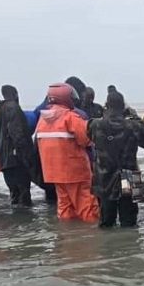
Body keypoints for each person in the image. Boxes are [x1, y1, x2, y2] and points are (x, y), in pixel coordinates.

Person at [88, 91, 144, 228]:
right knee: (129, 222)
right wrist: (134, 115)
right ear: (123, 107)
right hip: (129, 176)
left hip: (105, 176)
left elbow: (88, 134)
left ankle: (109, 248)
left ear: (106, 105)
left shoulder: (95, 125)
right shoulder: (133, 126)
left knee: (106, 222)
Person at [35, 83, 99, 222]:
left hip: (53, 173)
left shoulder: (43, 120)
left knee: (64, 207)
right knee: (87, 207)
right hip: (75, 172)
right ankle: (91, 238)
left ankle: (67, 237)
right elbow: (86, 140)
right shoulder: (71, 117)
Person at [0, 85, 38, 206]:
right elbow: (18, 135)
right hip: (16, 159)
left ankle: (17, 222)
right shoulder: (13, 108)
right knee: (24, 195)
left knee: (14, 195)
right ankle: (25, 222)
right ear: (15, 94)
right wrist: (27, 157)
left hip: (4, 160)